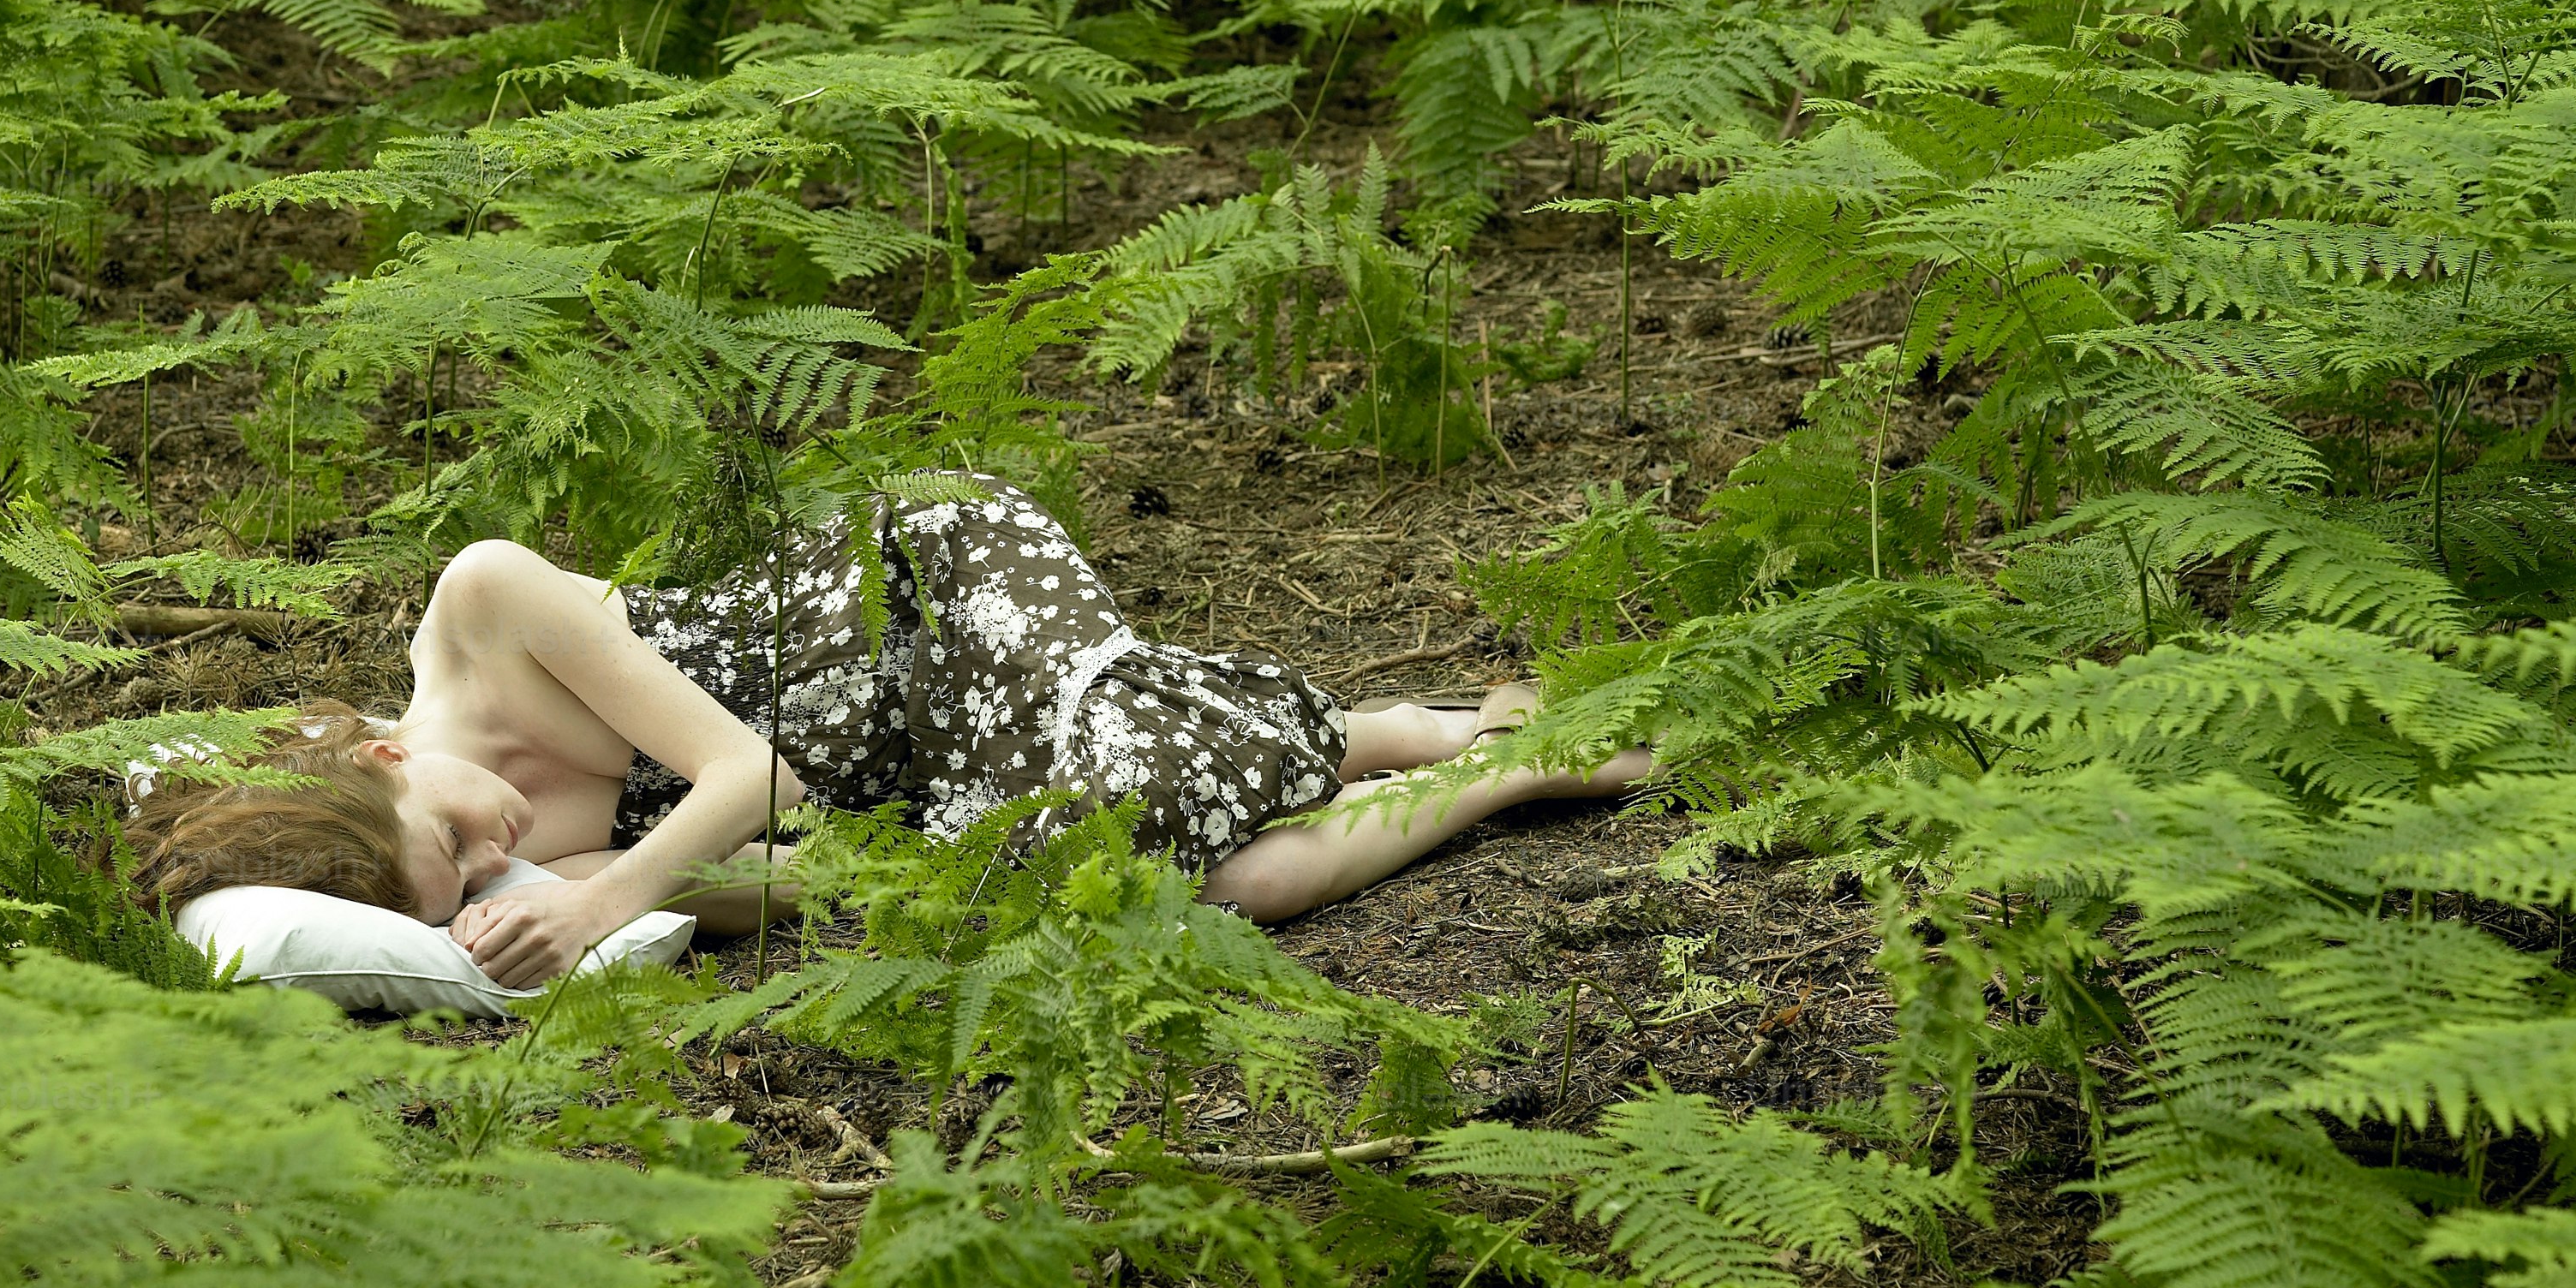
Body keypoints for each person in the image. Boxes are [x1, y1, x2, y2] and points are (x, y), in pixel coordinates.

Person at [123, 479, 1659, 989]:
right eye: (467, 882)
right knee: (1203, 888)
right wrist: (588, 918)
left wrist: (601, 895)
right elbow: (813, 876)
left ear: (383, 752)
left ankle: (1401, 723)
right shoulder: (553, 868)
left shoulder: (483, 610)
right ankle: (1477, 752)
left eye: (453, 837)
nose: (500, 850)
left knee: (1107, 782)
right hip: (937, 757)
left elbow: (758, 775)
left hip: (922, 589)